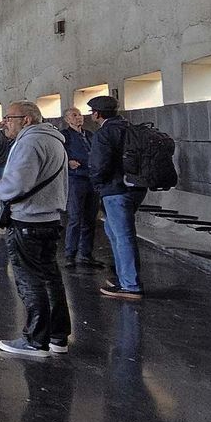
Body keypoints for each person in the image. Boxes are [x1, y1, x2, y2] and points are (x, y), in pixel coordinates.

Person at [0, 100, 71, 358]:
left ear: (27, 119)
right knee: (50, 278)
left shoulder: (29, 142)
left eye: (9, 117)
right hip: (49, 218)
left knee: (29, 280)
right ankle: (57, 336)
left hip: (28, 219)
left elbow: (16, 184)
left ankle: (35, 340)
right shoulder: (54, 139)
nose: (4, 122)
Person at [89, 95, 145, 300]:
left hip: (115, 189)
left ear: (97, 113)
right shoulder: (129, 128)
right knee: (113, 230)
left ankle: (131, 285)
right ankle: (125, 278)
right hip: (136, 187)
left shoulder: (104, 133)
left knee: (123, 236)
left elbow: (99, 164)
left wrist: (97, 184)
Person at [61, 107, 105, 269]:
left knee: (90, 218)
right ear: (67, 119)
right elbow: (59, 154)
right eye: (74, 115)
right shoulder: (65, 136)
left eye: (79, 114)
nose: (79, 118)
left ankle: (85, 254)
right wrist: (68, 162)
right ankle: (70, 254)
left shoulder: (90, 135)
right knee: (75, 217)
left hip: (91, 179)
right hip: (76, 179)